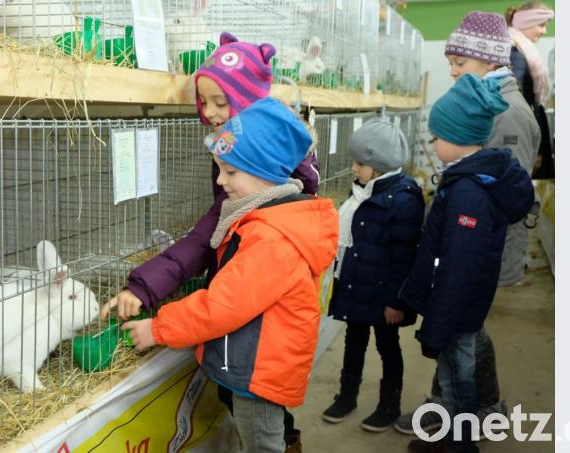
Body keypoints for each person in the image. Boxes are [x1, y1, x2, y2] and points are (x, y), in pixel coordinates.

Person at [100, 31, 318, 452]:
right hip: (253, 350)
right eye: (205, 101)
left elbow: (225, 299)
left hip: (259, 355)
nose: (212, 112)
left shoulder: (269, 218)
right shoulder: (256, 176)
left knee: (263, 431)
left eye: (222, 101)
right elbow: (212, 234)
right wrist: (145, 285)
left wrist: (159, 327)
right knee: (250, 416)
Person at [123, 97, 339, 453]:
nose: (221, 181)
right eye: (220, 169)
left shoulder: (271, 237)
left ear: (268, 172)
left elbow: (222, 305)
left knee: (261, 444)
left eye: (231, 172)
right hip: (257, 361)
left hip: (259, 373)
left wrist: (158, 328)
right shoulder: (265, 217)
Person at [394, 11, 542, 436]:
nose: (453, 70)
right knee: (466, 329)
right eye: (451, 61)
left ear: (490, 60)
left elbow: (506, 193)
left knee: (460, 330)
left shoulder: (508, 113)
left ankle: (455, 409)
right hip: (467, 241)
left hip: (477, 249)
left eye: (460, 61)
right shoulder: (485, 99)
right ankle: (475, 405)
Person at [321, 118, 424, 432]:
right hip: (356, 284)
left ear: (378, 166)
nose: (353, 168)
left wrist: (396, 301)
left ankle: (389, 404)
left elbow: (405, 257)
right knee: (354, 341)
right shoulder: (363, 192)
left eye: (359, 163)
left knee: (388, 345)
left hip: (384, 294)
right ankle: (347, 396)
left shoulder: (404, 199)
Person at [505, 1, 555, 179]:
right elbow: (517, 104)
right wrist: (533, 148)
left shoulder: (520, 51)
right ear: (526, 22)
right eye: (541, 25)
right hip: (525, 133)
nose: (544, 31)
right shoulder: (516, 54)